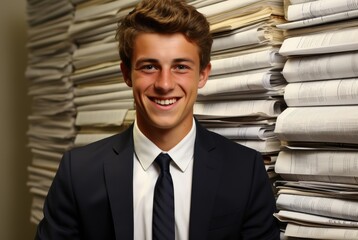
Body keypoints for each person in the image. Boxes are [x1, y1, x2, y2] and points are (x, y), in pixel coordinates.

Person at [35, 0, 280, 239]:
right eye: (149, 67)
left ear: (203, 75)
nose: (164, 84)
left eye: (181, 67)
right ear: (126, 74)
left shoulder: (245, 171)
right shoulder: (78, 173)